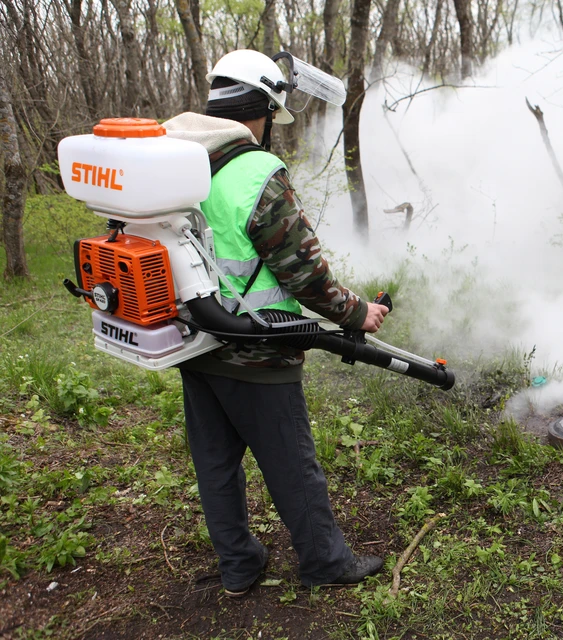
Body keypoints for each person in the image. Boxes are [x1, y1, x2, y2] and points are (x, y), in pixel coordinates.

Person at [162, 49, 388, 597]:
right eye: (272, 115)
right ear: (262, 107)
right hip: (258, 350)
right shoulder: (255, 172)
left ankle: (239, 566)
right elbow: (303, 271)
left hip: (194, 343)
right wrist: (359, 312)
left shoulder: (175, 164)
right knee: (293, 464)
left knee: (216, 465)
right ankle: (326, 563)